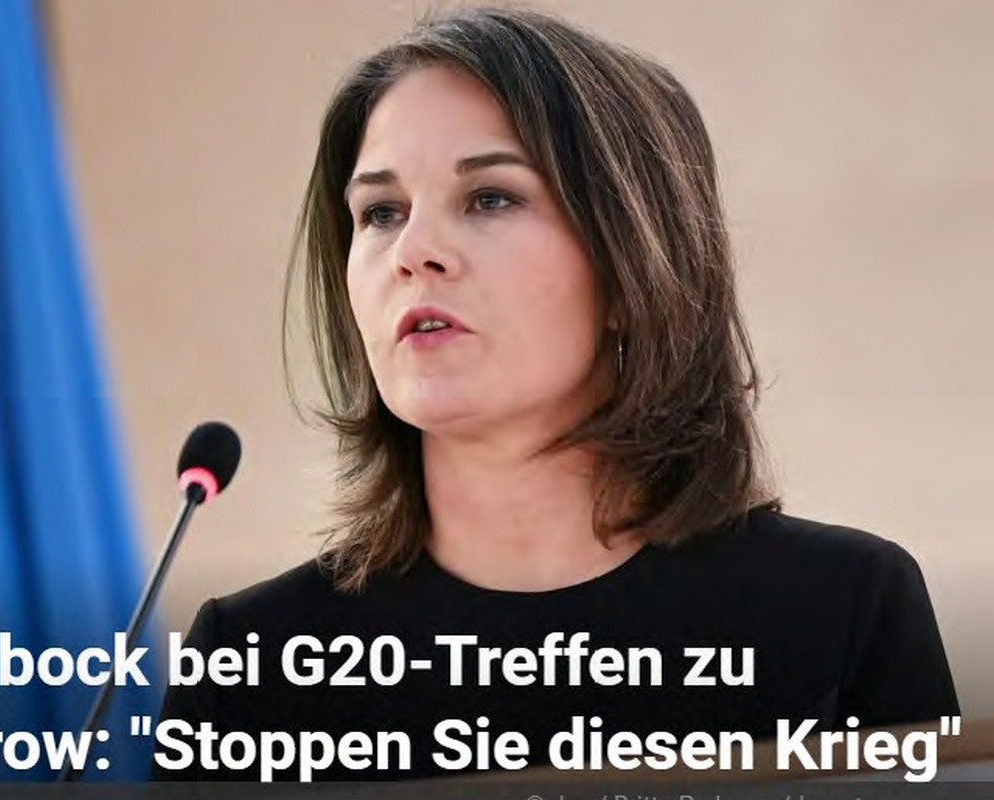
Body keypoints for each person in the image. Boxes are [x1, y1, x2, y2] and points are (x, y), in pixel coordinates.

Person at [152, 6, 958, 782]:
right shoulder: (251, 666)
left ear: (630, 268)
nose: (413, 251)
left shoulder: (842, 610)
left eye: (490, 198)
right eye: (381, 211)